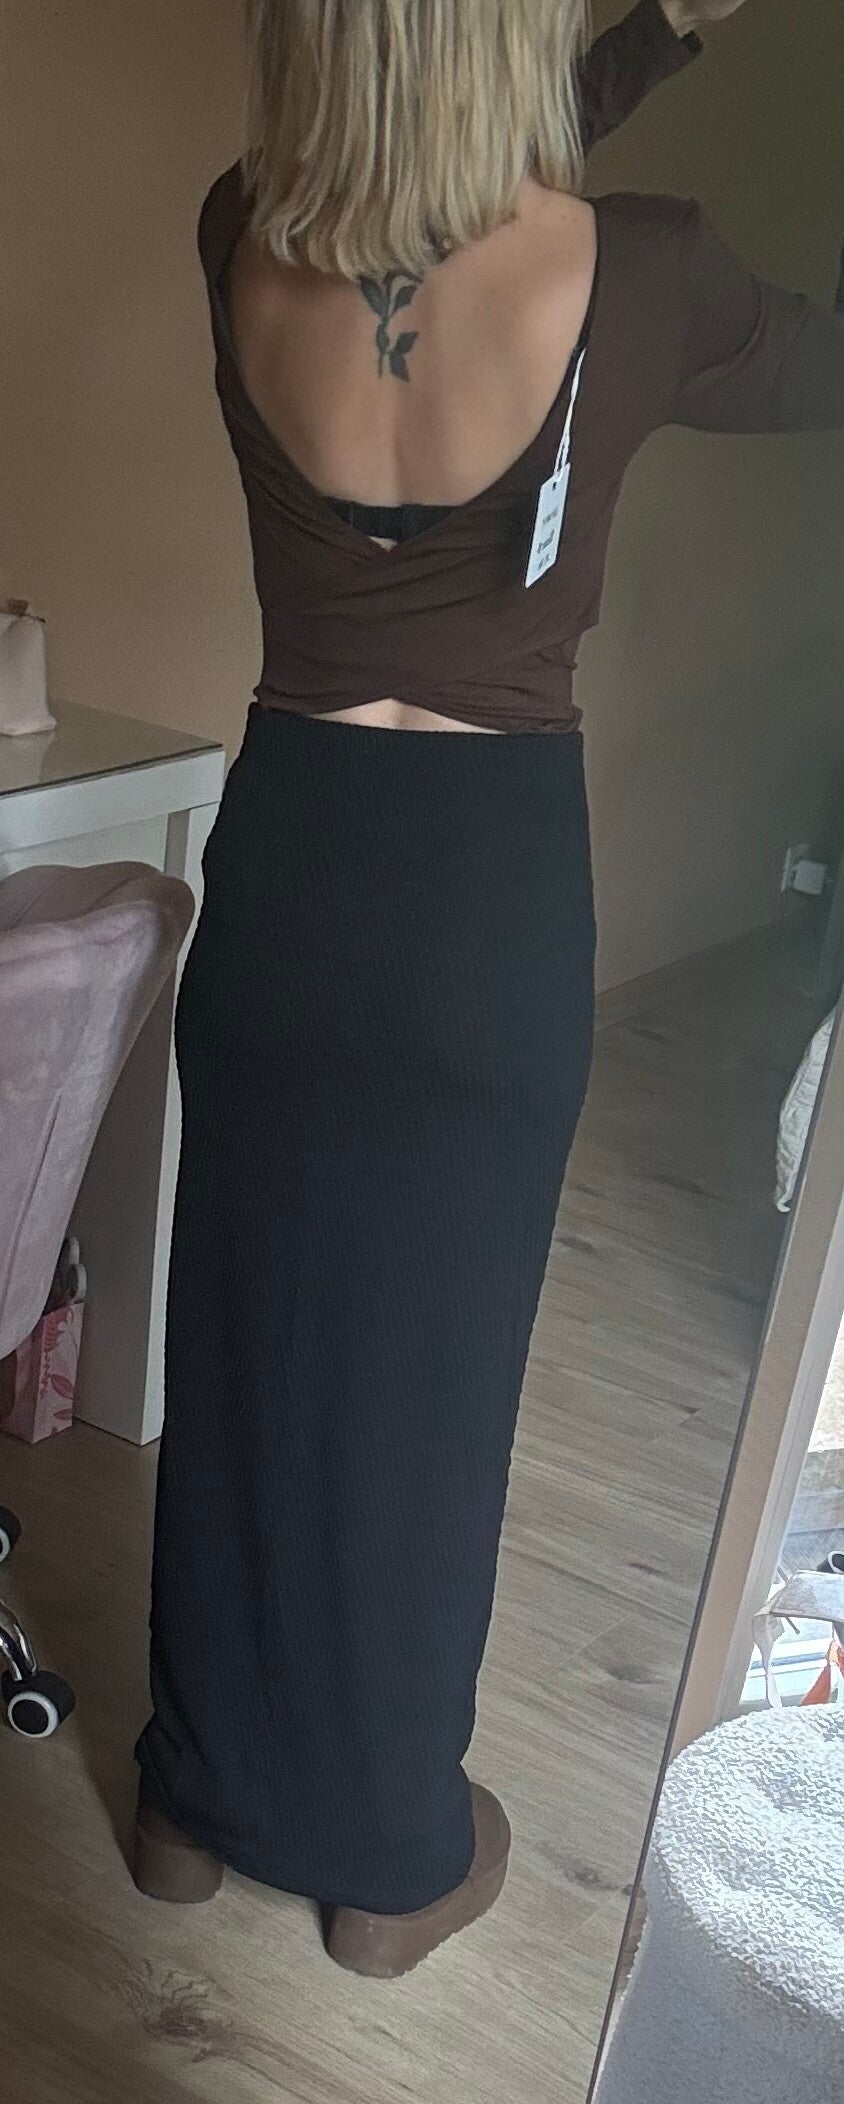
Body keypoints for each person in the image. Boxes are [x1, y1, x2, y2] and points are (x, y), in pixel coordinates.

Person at [132, 0, 844, 1980]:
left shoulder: (236, 225)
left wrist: (652, 38)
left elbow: (421, 156)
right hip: (479, 893)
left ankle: (187, 1802)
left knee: (247, 1341)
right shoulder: (652, 270)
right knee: (429, 1389)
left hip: (294, 866)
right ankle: (384, 1862)